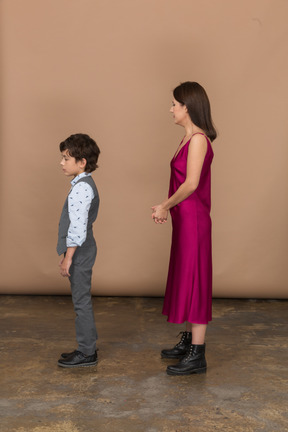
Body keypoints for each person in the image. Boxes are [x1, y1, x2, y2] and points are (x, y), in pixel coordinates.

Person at [151, 82, 217, 375]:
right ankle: (190, 341)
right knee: (188, 278)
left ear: (187, 107)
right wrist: (168, 207)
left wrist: (164, 205)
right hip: (185, 221)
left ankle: (197, 355)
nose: (171, 109)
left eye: (174, 104)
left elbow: (191, 184)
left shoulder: (199, 140)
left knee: (196, 281)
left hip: (194, 221)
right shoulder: (187, 138)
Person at [56, 133, 100, 368]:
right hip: (83, 248)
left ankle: (87, 352)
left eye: (66, 158)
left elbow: (78, 227)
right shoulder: (83, 184)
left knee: (81, 300)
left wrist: (68, 258)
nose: (62, 163)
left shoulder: (81, 189)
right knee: (81, 299)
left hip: (80, 251)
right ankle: (88, 345)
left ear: (82, 162)